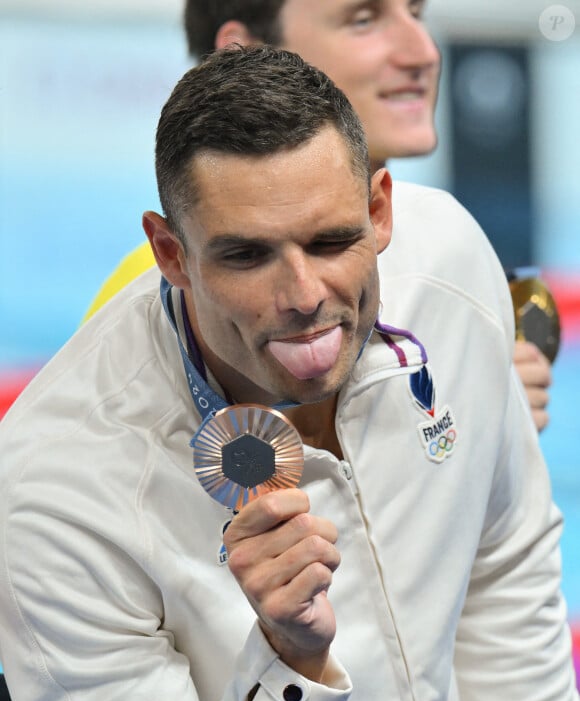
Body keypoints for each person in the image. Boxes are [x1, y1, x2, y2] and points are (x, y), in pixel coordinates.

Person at [0, 46, 578, 701]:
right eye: (246, 255)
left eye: (334, 238)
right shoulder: (61, 480)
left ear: (381, 209)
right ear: (170, 252)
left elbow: (505, 567)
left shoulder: (446, 267)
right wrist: (284, 668)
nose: (304, 295)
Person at [85, 0, 553, 435]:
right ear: (244, 53)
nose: (423, 52)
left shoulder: (442, 244)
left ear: (379, 212)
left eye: (415, 11)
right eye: (363, 19)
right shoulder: (149, 292)